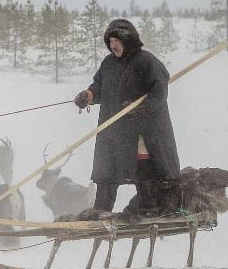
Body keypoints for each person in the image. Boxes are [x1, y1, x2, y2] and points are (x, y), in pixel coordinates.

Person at [73, 19, 181, 214]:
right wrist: (88, 96)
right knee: (106, 167)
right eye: (110, 41)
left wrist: (142, 108)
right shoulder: (109, 63)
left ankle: (148, 208)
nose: (113, 45)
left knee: (143, 168)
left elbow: (159, 91)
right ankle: (100, 210)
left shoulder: (146, 61)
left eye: (117, 41)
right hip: (113, 128)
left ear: (128, 41)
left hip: (141, 129)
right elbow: (99, 86)